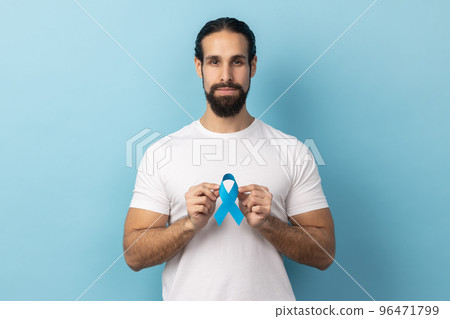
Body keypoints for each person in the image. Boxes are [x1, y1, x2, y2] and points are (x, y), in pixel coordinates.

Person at [123, 17, 335, 301]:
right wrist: (188, 224)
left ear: (253, 66)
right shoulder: (161, 153)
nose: (226, 75)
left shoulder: (293, 151)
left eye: (237, 61)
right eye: (214, 62)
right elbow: (133, 255)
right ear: (199, 67)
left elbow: (324, 254)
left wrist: (268, 224)